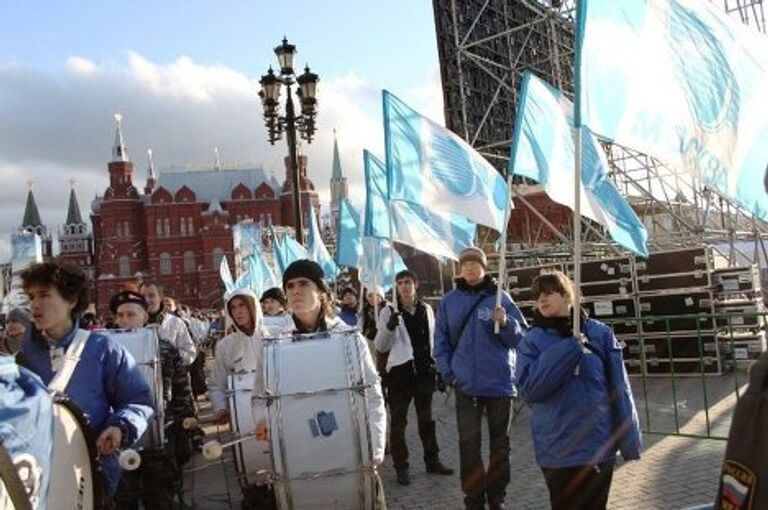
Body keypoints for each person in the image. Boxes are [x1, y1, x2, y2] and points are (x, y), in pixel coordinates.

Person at [254, 260, 387, 508]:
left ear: (322, 292)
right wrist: (263, 419)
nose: (295, 291)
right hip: (300, 454)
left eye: (304, 283)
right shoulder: (273, 345)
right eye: (290, 286)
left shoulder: (349, 338)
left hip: (349, 448)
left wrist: (375, 446)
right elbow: (260, 395)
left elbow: (372, 392)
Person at [19, 261, 154, 500]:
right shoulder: (22, 357)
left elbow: (137, 399)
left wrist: (120, 427)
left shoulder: (103, 349)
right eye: (31, 296)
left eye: (44, 295)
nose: (35, 304)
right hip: (38, 481)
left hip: (93, 473)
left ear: (71, 300)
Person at [516, 271, 642, 510]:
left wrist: (630, 440)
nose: (542, 299)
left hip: (597, 447)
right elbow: (531, 389)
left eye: (550, 292)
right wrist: (568, 348)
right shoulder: (530, 341)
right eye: (538, 295)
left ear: (568, 296)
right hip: (557, 450)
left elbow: (620, 388)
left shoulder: (600, 334)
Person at [433, 247, 527, 510]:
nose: (470, 269)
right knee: (469, 447)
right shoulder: (449, 301)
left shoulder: (500, 298)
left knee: (500, 448)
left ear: (484, 268)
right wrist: (450, 373)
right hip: (466, 386)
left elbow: (520, 339)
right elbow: (439, 341)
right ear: (460, 270)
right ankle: (473, 500)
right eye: (465, 265)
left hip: (499, 384)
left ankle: (497, 499)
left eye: (475, 264)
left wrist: (506, 323)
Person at [110, 290, 196, 510]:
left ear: (145, 316)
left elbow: (181, 388)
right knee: (123, 500)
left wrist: (185, 423)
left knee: (161, 498)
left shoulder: (165, 349)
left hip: (161, 434)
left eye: (131, 314)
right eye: (120, 316)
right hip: (120, 439)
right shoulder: (108, 351)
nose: (125, 321)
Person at [375, 270, 453, 486]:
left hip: (423, 372)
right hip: (400, 373)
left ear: (416, 284)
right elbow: (381, 345)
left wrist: (438, 369)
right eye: (400, 283)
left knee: (426, 420)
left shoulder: (426, 309)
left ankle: (432, 460)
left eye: (407, 282)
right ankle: (401, 466)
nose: (404, 286)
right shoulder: (388, 311)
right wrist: (390, 326)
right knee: (398, 423)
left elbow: (433, 340)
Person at [208, 287, 269, 509]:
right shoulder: (226, 345)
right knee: (252, 481)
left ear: (253, 306)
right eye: (233, 308)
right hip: (244, 423)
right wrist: (220, 408)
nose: (238, 311)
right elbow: (217, 384)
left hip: (275, 416)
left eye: (242, 305)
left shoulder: (276, 334)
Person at [140, 283, 196, 366]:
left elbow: (190, 354)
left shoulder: (175, 323)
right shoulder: (134, 324)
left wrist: (172, 354)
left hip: (171, 376)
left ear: (160, 298)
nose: (147, 300)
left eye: (151, 296)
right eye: (143, 296)